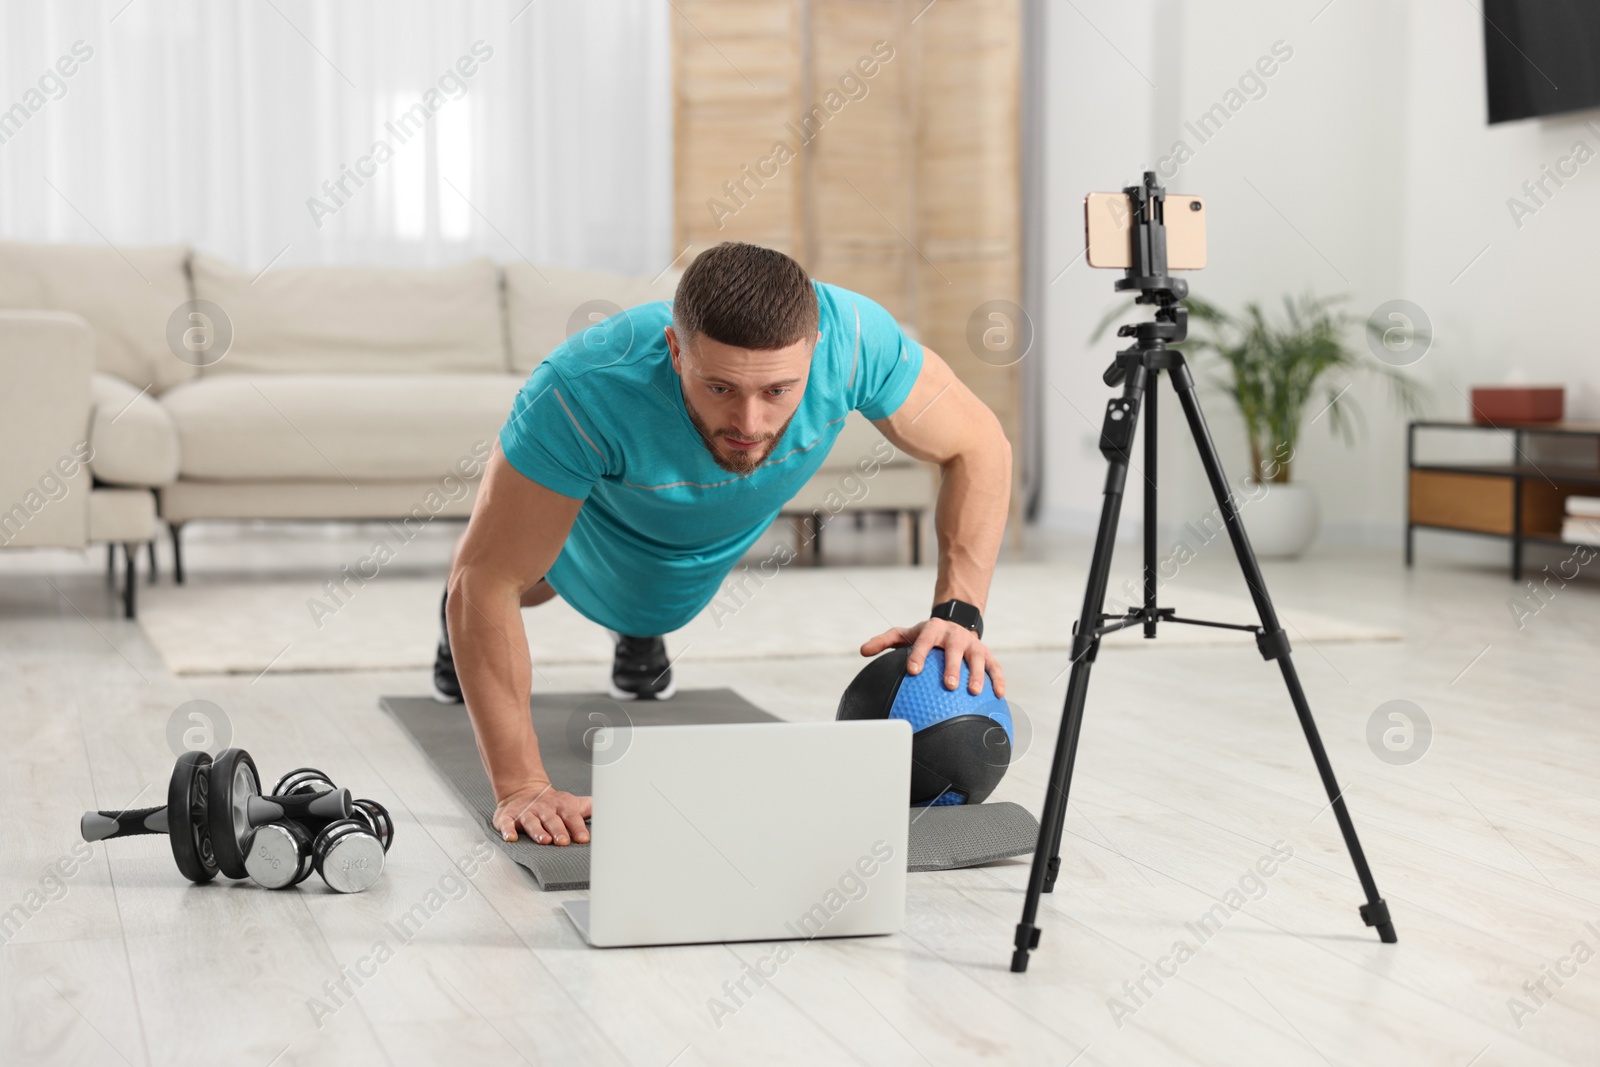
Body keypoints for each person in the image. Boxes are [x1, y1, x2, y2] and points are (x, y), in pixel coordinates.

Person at [438, 242, 1012, 847]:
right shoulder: (579, 391)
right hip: (601, 539)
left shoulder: (855, 343)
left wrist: (958, 616)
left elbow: (979, 445)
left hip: (708, 545)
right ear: (675, 349)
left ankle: (639, 626)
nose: (750, 424)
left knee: (655, 606)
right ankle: (456, 631)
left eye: (777, 391)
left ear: (815, 350)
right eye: (719, 388)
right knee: (507, 577)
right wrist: (521, 785)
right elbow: (487, 583)